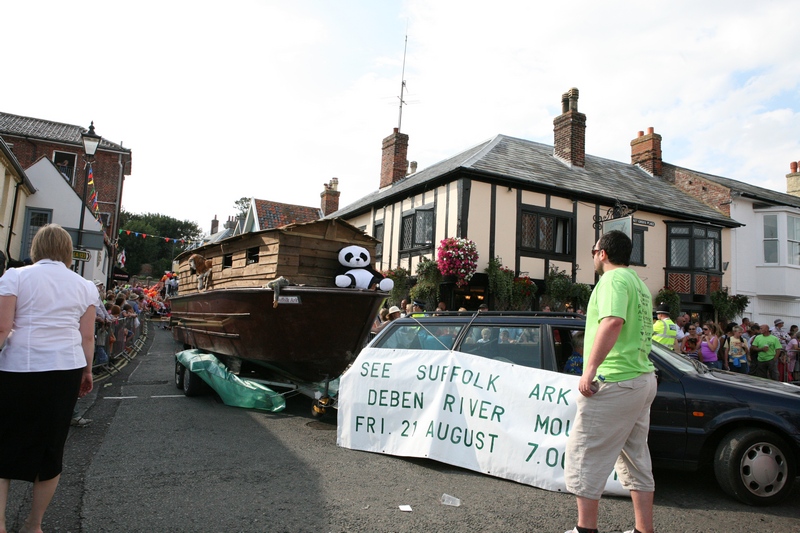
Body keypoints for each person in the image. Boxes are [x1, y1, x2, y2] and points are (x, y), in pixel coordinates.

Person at [0, 224, 96, 533]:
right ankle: (34, 525)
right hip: (64, 369)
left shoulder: (14, 276)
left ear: (35, 248)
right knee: (51, 447)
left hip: (17, 368)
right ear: (68, 253)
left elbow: (3, 328)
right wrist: (87, 370)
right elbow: (88, 337)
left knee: (3, 444)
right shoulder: (84, 286)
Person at [564, 231, 657, 533]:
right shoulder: (638, 284)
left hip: (616, 379)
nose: (592, 256)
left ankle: (585, 530)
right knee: (635, 457)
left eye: (593, 251)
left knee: (585, 455)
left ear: (602, 253)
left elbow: (613, 321)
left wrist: (589, 369)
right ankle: (644, 530)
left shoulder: (613, 280)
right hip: (641, 377)